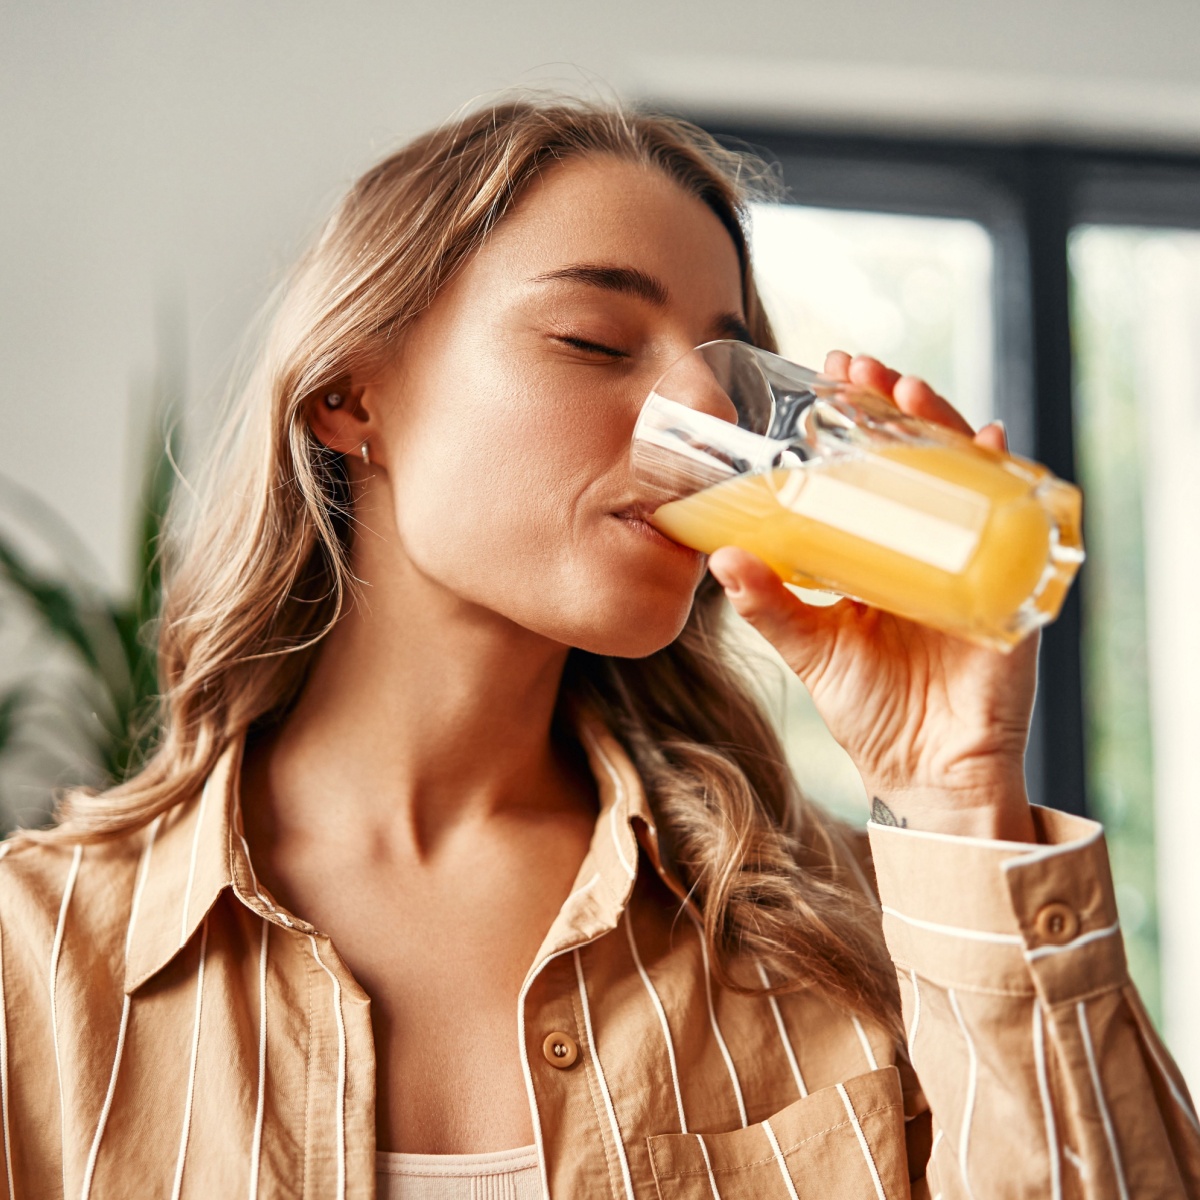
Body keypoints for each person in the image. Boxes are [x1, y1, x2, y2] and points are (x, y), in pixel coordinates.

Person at [0, 97, 1196, 1200]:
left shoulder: (853, 933)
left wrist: (961, 792)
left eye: (725, 365)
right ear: (349, 397)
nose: (708, 415)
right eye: (592, 339)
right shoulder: (35, 964)